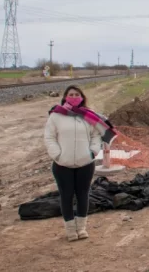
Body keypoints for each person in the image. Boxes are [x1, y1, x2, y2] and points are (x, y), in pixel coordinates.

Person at [44, 85, 115, 242]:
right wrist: (57, 155)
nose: (74, 96)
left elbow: (96, 135)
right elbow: (49, 137)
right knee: (66, 196)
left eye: (77, 94)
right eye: (71, 94)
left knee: (83, 195)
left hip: (85, 163)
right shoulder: (56, 115)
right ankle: (70, 230)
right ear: (65, 97)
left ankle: (81, 228)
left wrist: (93, 152)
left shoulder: (88, 116)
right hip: (62, 164)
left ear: (82, 97)